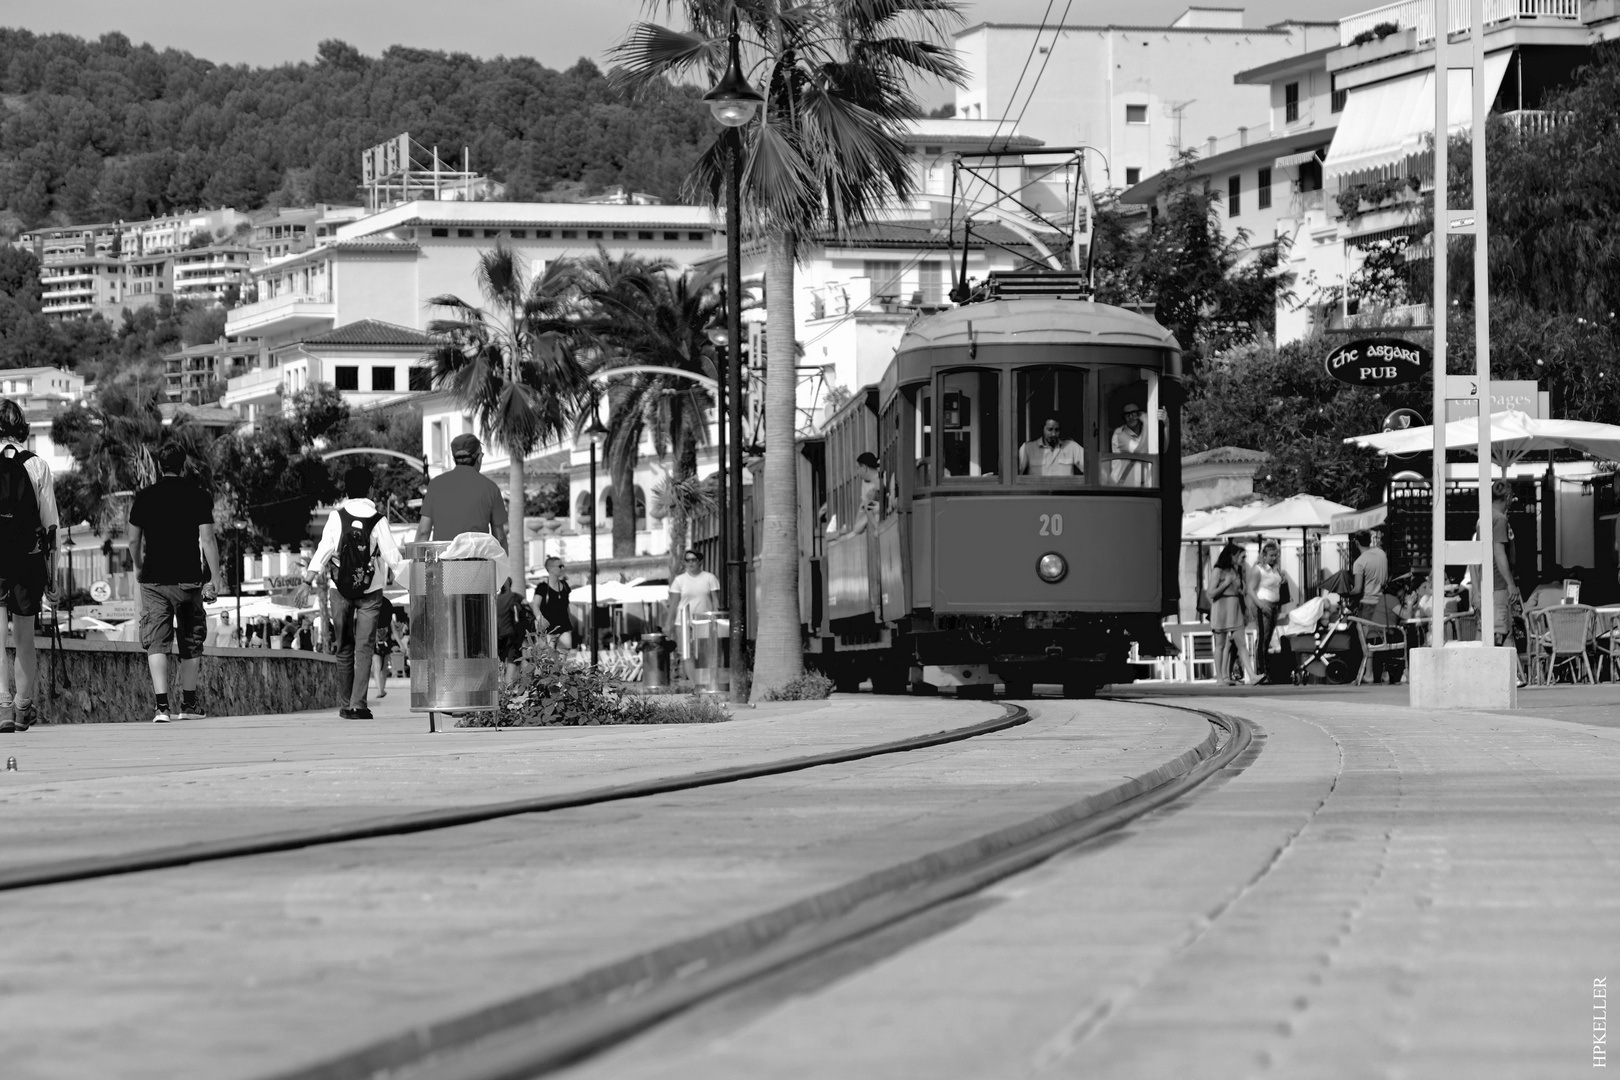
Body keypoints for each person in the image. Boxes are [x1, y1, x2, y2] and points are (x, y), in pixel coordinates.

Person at [128, 442, 224, 723]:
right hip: (188, 580)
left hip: (154, 579)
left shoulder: (144, 497)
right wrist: (215, 577)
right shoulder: (198, 495)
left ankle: (161, 708)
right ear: (183, 466)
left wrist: (138, 566)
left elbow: (133, 540)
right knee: (190, 640)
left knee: (157, 641)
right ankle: (189, 704)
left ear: (160, 466)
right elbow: (207, 539)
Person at [304, 465, 402, 720]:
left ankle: (345, 704)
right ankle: (359, 704)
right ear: (370, 488)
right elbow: (393, 558)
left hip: (340, 589)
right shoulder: (378, 519)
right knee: (364, 647)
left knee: (343, 647)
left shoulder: (337, 517)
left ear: (347, 490)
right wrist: (416, 583)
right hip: (371, 589)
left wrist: (307, 581)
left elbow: (324, 550)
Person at [0, 399, 59, 734]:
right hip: (28, 558)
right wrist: (53, 577)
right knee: (24, 636)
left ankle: (2, 705)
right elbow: (51, 526)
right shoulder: (38, 465)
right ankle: (23, 707)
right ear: (21, 427)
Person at [416, 434, 508, 549]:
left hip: (444, 563)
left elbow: (423, 532)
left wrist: (415, 563)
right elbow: (500, 538)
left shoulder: (435, 485)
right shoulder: (491, 488)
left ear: (455, 458)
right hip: (477, 564)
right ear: (478, 457)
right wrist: (503, 564)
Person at [1207, 541, 1260, 686]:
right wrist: (1225, 583)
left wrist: (1245, 604)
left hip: (1235, 609)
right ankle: (1219, 678)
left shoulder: (1236, 570)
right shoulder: (1218, 571)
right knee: (1220, 644)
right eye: (1241, 557)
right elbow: (1210, 593)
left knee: (1241, 643)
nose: (1243, 560)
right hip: (1222, 609)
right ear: (1232, 555)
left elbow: (1239, 591)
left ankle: (1252, 675)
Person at [668, 549, 721, 684]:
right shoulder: (679, 580)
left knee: (705, 653)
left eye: (693, 560)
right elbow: (674, 604)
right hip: (683, 622)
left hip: (704, 621)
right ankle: (695, 684)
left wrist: (717, 619)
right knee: (687, 654)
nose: (691, 563)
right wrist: (668, 623)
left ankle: (708, 682)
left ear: (700, 562)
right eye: (688, 560)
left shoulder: (710, 578)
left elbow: (716, 601)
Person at [1247, 540, 1286, 682]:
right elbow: (1250, 590)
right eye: (1271, 555)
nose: (1274, 558)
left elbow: (1276, 586)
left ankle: (1266, 671)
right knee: (1263, 637)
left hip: (1274, 605)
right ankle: (1261, 671)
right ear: (1264, 555)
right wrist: (1260, 605)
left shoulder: (1275, 569)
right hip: (1263, 603)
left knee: (1268, 638)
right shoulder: (1259, 569)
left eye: (1276, 555)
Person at [496, 577, 535, 685]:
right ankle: (508, 684)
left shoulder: (494, 599)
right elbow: (529, 613)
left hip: (498, 635)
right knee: (513, 658)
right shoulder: (516, 597)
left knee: (503, 658)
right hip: (512, 633)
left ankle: (504, 684)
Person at [1018, 417, 1084, 477]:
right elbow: (1014, 476)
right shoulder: (1028, 448)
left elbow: (1092, 468)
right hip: (1039, 489)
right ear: (1042, 429)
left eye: (1057, 430)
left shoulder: (1071, 447)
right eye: (1050, 429)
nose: (1053, 434)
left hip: (1065, 489)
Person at [1351, 529, 1390, 624]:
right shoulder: (1381, 553)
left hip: (1368, 604)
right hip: (1382, 601)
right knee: (1381, 634)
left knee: (1365, 634)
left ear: (1357, 542)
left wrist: (1347, 593)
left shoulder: (1359, 562)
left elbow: (1357, 589)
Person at [534, 556, 572, 647]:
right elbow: (535, 605)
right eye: (560, 566)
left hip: (564, 626)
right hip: (548, 628)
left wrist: (571, 622)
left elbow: (567, 606)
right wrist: (540, 618)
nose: (562, 568)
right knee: (548, 658)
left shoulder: (565, 585)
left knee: (563, 654)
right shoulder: (542, 587)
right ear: (550, 569)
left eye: (563, 566)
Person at [1108, 403, 1150, 487]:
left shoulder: (1144, 432)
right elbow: (1140, 452)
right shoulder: (1119, 434)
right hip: (1122, 487)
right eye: (1127, 415)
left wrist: (1166, 425)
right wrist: (1146, 422)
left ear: (1139, 415)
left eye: (1134, 413)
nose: (1130, 417)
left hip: (1142, 486)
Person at [847, 452, 884, 535]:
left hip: (883, 512)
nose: (857, 472)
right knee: (856, 528)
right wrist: (876, 527)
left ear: (864, 468)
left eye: (858, 468)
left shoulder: (882, 475)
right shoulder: (864, 482)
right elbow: (868, 509)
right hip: (872, 513)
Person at [371, 594, 394, 696]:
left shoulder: (372, 610)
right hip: (386, 641)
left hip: (375, 640)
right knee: (384, 666)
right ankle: (382, 689)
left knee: (376, 666)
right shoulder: (388, 608)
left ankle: (380, 689)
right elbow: (393, 630)